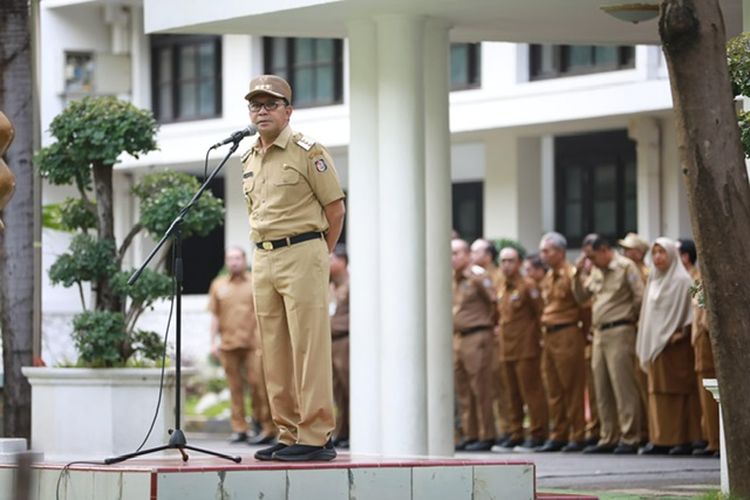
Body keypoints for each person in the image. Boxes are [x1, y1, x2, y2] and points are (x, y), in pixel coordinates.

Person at [242, 74, 346, 462]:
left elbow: (335, 209)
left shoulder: (307, 151)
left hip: (303, 252)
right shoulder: (248, 156)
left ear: (289, 110)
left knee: (309, 347)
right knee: (273, 349)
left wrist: (320, 254)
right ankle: (287, 432)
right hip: (263, 256)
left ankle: (316, 434)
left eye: (270, 103)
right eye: (255, 104)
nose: (262, 110)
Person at [572, 234, 644, 454]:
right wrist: (577, 274)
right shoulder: (595, 269)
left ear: (604, 249)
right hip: (599, 334)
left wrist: (630, 319)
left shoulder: (625, 267)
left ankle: (630, 436)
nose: (590, 261)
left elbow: (639, 297)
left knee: (623, 385)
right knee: (601, 386)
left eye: (592, 256)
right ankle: (608, 436)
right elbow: (581, 297)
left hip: (620, 330)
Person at [636, 237, 702, 455]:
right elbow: (648, 315)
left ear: (672, 254)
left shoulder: (683, 281)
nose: (657, 257)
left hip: (675, 347)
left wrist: (680, 333)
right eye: (654, 253)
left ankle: (680, 439)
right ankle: (660, 438)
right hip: (656, 345)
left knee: (677, 392)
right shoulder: (654, 280)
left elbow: (691, 314)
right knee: (656, 392)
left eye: (662, 252)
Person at [207, 247, 275, 445]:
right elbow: (215, 316)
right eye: (230, 258)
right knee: (235, 388)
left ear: (245, 260)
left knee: (259, 386)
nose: (234, 262)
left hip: (254, 344)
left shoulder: (256, 281)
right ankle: (239, 429)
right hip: (228, 344)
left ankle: (265, 426)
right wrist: (212, 342)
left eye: (237, 258)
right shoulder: (218, 285)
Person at [491, 247, 548, 452]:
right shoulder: (500, 287)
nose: (506, 265)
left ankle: (537, 433)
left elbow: (540, 312)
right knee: (511, 394)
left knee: (531, 392)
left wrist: (539, 341)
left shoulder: (528, 286)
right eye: (503, 261)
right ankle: (516, 433)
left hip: (526, 348)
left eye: (511, 261)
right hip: (507, 349)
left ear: (519, 263)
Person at [537, 232, 587, 453]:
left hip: (567, 332)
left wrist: (583, 334)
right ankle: (558, 434)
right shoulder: (548, 277)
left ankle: (577, 434)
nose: (542, 255)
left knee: (572, 387)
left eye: (546, 251)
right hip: (549, 335)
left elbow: (585, 307)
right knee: (553, 387)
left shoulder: (572, 274)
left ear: (560, 251)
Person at [452, 238, 497, 451]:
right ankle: (470, 434)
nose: (452, 259)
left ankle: (486, 434)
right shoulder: (453, 278)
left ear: (467, 255)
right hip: (459, 338)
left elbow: (494, 304)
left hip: (477, 336)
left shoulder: (477, 276)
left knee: (480, 387)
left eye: (456, 254)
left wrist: (488, 327)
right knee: (463, 390)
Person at [470, 238, 510, 445]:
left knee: (499, 384)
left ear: (487, 255)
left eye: (476, 252)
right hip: (490, 338)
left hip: (497, 337)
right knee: (489, 385)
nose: (471, 255)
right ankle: (496, 430)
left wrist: (496, 324)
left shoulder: (495, 276)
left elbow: (498, 305)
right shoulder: (474, 275)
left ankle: (506, 430)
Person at [618, 231, 652, 445]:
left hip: (642, 332)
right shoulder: (626, 270)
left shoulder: (647, 273)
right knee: (632, 383)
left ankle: (649, 431)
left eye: (629, 249)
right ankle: (640, 430)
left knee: (643, 383)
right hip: (633, 333)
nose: (624, 252)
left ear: (639, 253)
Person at [329, 244, 350, 449]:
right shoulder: (330, 285)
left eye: (331, 259)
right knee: (336, 389)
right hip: (330, 342)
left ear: (342, 261)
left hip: (345, 340)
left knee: (348, 386)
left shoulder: (351, 284)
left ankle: (351, 430)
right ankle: (341, 430)